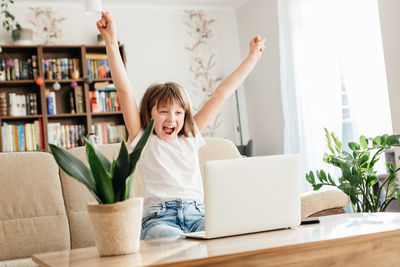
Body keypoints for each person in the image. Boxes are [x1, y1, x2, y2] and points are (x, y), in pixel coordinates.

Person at [96, 11, 265, 240]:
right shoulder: (142, 138)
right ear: (150, 113)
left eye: (178, 113)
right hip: (158, 218)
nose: (171, 119)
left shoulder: (190, 136)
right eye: (163, 111)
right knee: (172, 242)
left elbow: (221, 93)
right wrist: (111, 41)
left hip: (198, 215)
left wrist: (252, 58)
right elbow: (124, 91)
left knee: (227, 235)